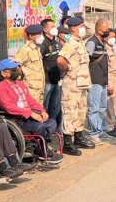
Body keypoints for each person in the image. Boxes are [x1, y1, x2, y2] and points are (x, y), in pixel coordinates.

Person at [0, 60, 63, 164]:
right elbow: (9, 107)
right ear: (4, 73)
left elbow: (30, 100)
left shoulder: (20, 84)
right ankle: (41, 151)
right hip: (16, 120)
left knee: (52, 122)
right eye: (12, 70)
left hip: (28, 118)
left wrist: (42, 110)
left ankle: (40, 148)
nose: (16, 71)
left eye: (16, 68)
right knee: (40, 127)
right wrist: (30, 113)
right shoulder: (1, 88)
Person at [57, 16, 95, 154]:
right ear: (73, 29)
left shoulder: (80, 43)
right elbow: (60, 60)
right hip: (72, 84)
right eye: (80, 26)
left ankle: (78, 136)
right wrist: (69, 68)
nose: (83, 29)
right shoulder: (71, 43)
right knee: (70, 112)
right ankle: (67, 142)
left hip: (82, 83)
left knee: (81, 111)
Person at [85, 19, 111, 144]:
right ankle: (93, 133)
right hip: (95, 80)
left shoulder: (102, 42)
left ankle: (101, 131)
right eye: (106, 29)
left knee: (102, 107)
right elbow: (86, 60)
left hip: (103, 80)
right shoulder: (91, 42)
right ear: (99, 29)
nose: (108, 31)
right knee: (93, 108)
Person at [14, 24, 47, 105]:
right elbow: (16, 65)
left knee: (39, 110)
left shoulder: (36, 48)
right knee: (32, 109)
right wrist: (23, 75)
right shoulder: (25, 49)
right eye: (38, 34)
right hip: (31, 87)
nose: (41, 36)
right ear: (31, 36)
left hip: (39, 87)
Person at [40, 18, 63, 132]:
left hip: (56, 79)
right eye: (52, 27)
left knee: (55, 106)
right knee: (45, 106)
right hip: (47, 81)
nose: (55, 29)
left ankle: (52, 128)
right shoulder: (43, 44)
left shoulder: (55, 42)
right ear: (45, 29)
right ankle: (44, 129)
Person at [104, 28, 116, 137]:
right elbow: (106, 67)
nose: (113, 39)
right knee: (109, 104)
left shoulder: (112, 48)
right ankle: (108, 127)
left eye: (114, 37)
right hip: (110, 78)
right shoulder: (105, 49)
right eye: (111, 37)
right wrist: (109, 83)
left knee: (115, 104)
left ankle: (112, 124)